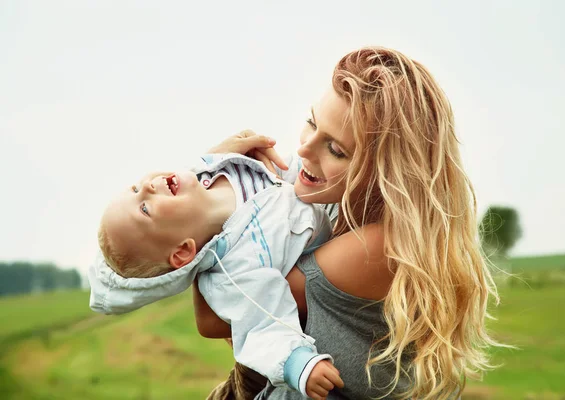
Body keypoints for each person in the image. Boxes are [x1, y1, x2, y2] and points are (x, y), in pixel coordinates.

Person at [194, 46, 500, 399]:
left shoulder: (375, 247)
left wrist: (214, 187)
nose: (306, 149)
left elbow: (218, 315)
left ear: (387, 172)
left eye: (336, 150)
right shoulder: (345, 216)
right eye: (312, 122)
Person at [87, 153, 344, 398]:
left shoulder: (216, 168)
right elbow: (260, 324)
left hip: (330, 180)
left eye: (134, 189)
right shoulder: (234, 271)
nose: (146, 187)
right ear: (184, 252)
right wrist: (298, 364)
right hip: (339, 235)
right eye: (145, 209)